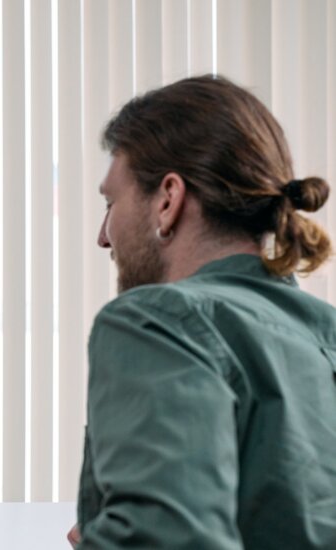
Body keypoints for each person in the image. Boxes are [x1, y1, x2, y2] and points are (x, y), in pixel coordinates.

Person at [70, 75, 336, 548]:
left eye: (111, 202)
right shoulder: (325, 334)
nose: (103, 237)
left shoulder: (157, 322)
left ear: (168, 199)